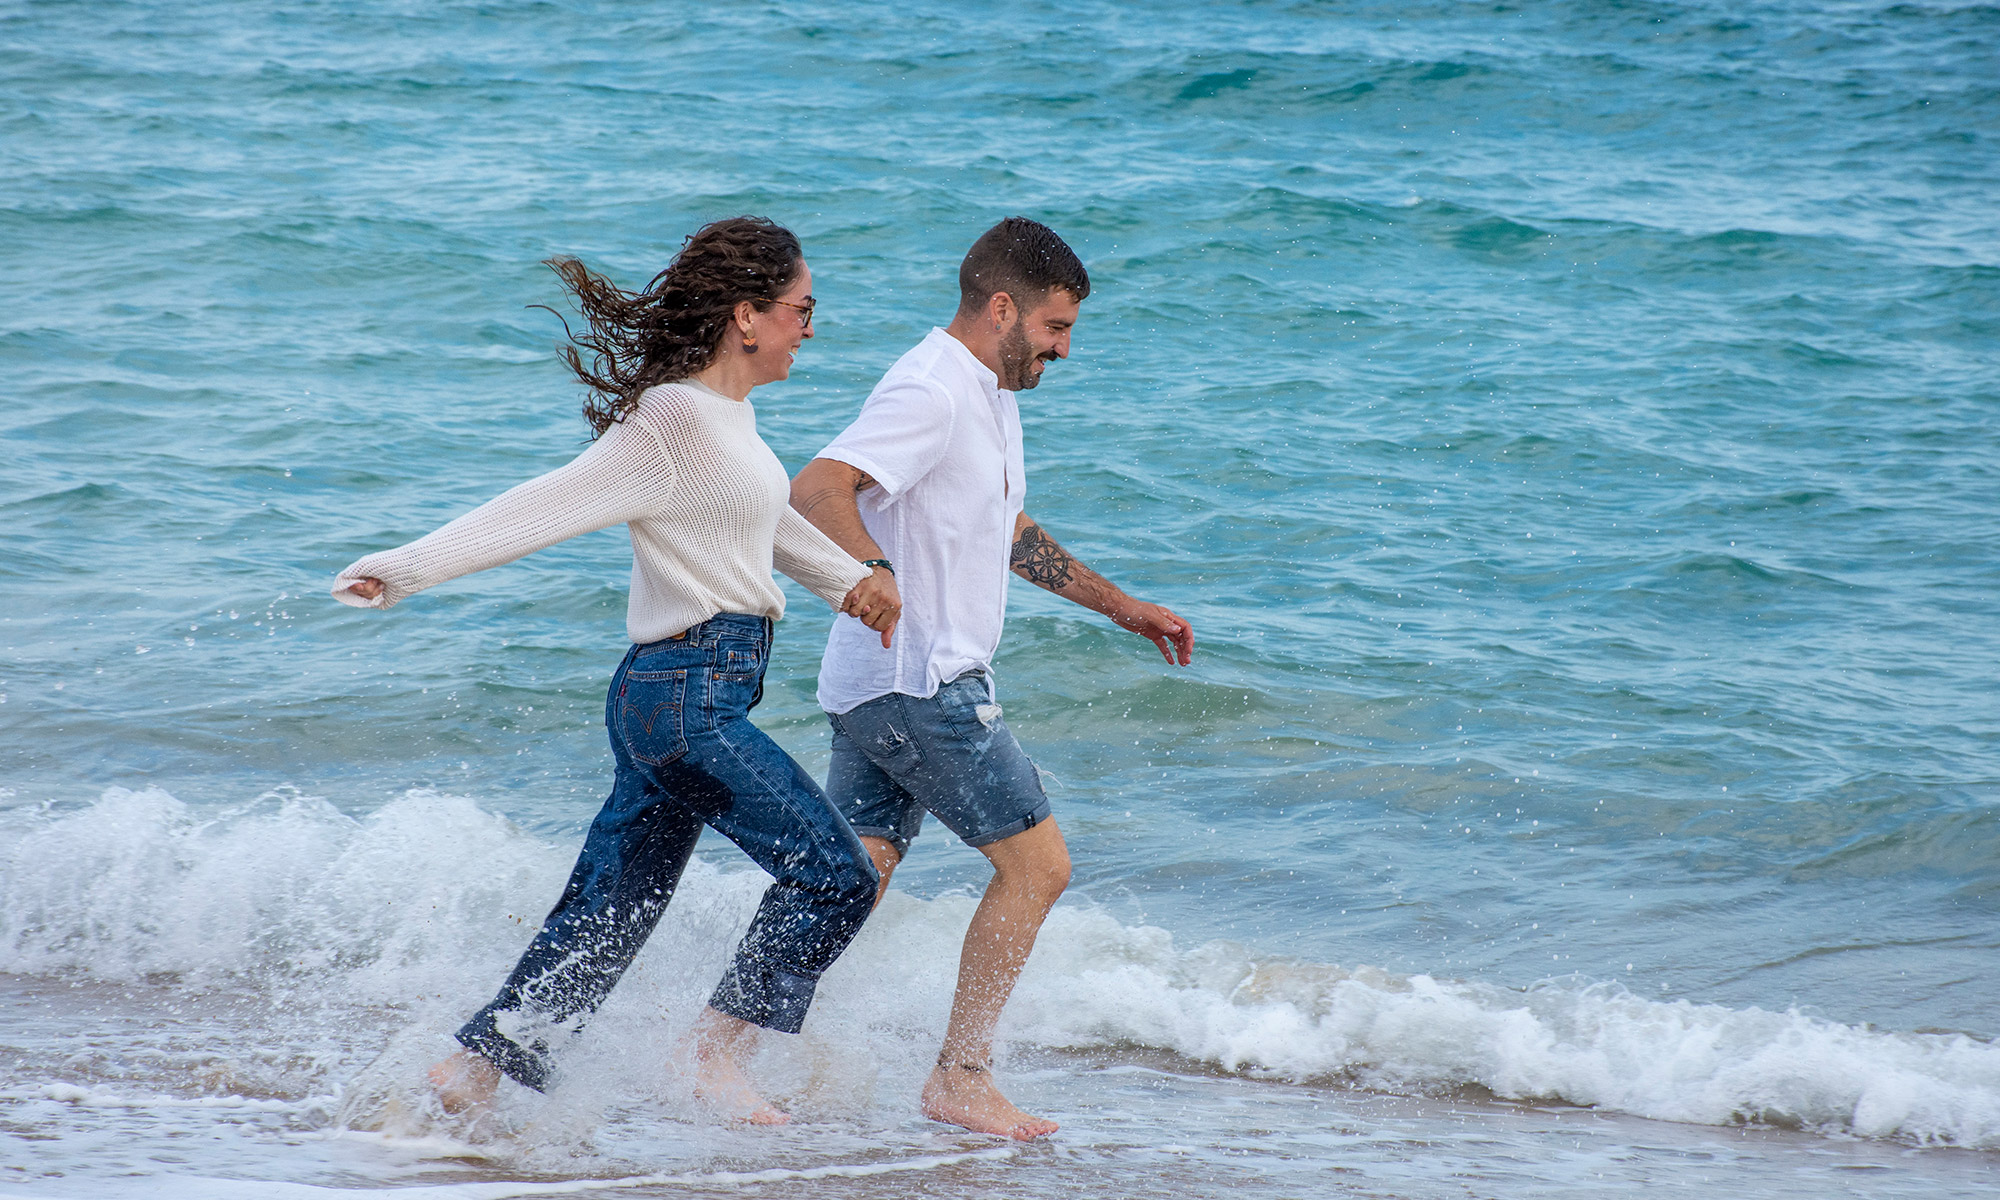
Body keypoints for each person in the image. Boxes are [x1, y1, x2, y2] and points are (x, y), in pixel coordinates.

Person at [331, 216, 903, 1125]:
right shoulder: (673, 418)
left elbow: (758, 523)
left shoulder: (727, 421)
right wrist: (404, 569)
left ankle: (473, 1075)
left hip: (679, 692)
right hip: (684, 697)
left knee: (610, 908)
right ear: (747, 316)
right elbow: (545, 502)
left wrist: (851, 583)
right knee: (833, 875)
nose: (810, 327)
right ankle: (711, 1054)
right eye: (802, 309)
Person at [789, 217, 1195, 1141]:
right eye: (1056, 329)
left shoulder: (989, 397)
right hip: (923, 683)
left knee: (856, 875)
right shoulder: (932, 388)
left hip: (875, 686)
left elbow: (1005, 534)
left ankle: (721, 1036)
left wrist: (1125, 607)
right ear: (1002, 308)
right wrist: (867, 574)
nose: (1062, 349)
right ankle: (961, 1077)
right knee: (1037, 868)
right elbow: (815, 488)